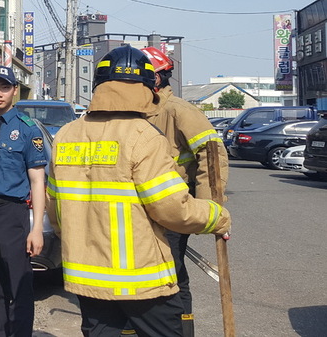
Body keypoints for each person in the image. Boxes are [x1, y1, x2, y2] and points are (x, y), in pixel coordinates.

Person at [46, 47, 231, 337]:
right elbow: (172, 209)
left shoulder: (66, 135)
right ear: (147, 87)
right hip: (143, 281)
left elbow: (56, 211)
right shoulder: (144, 136)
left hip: (87, 277)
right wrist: (215, 216)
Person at [140, 46, 229, 337]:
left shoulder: (179, 110)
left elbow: (212, 156)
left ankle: (180, 330)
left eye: (148, 74)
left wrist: (209, 211)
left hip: (173, 205)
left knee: (171, 274)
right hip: (141, 208)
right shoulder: (137, 111)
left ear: (161, 77)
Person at [0, 65, 48, 337]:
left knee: (18, 286)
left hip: (12, 215)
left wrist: (36, 228)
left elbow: (38, 181)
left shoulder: (27, 129)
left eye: (4, 88)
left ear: (15, 90)